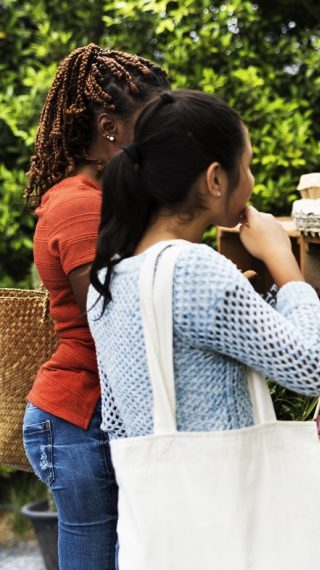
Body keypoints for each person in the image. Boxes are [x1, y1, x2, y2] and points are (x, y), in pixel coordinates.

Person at [86, 89, 320, 564]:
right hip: (230, 524)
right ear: (215, 178)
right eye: (246, 166)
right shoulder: (197, 269)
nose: (250, 179)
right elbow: (319, 369)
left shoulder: (109, 279)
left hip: (162, 529)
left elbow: (123, 417)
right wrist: (283, 260)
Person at [23, 44, 169, 569]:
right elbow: (111, 317)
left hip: (86, 415)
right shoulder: (78, 205)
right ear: (110, 128)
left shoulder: (100, 197)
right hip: (75, 418)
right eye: (150, 127)